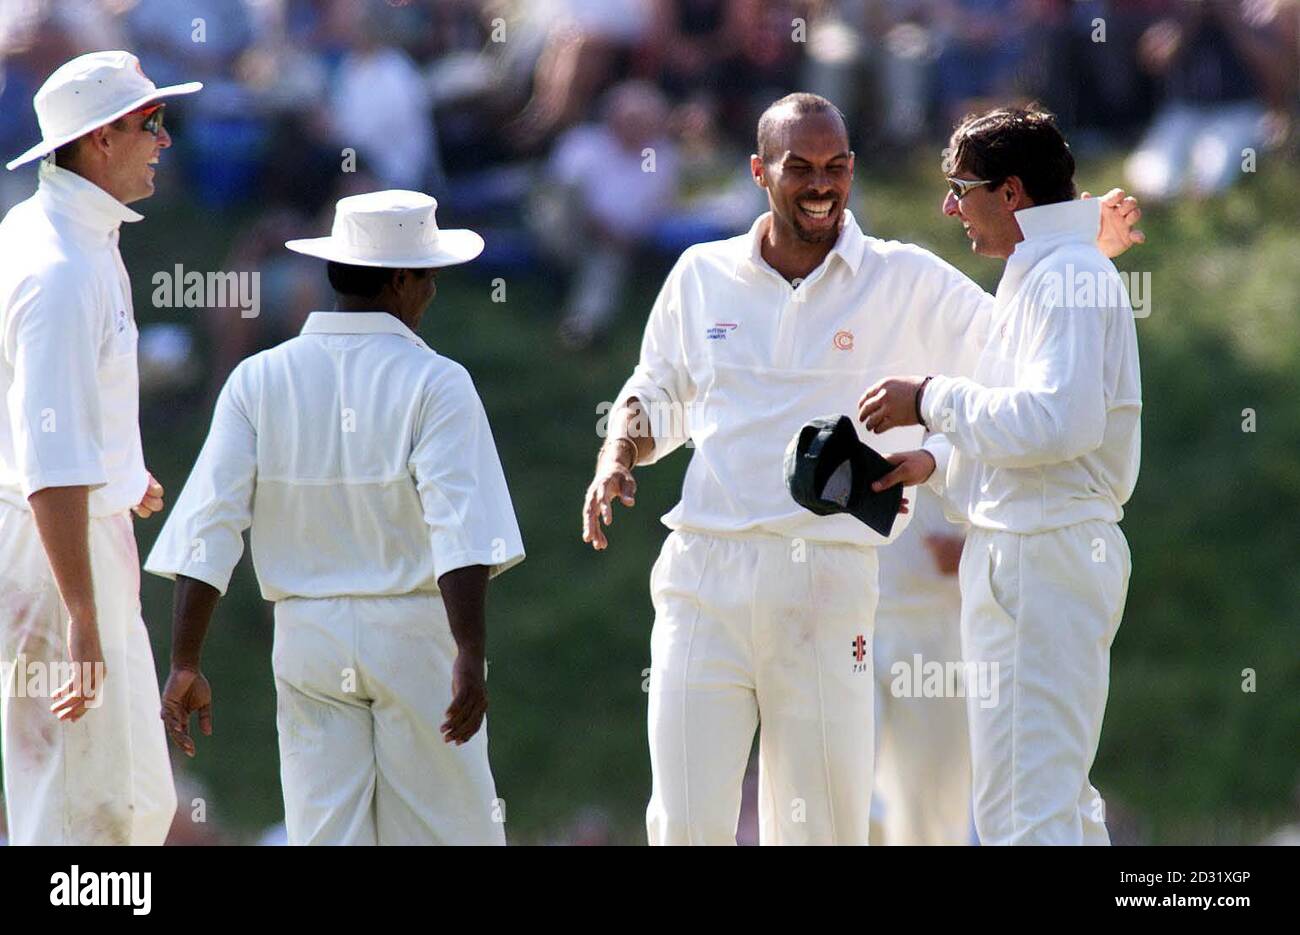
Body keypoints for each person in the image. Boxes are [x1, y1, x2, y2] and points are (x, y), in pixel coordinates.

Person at [581, 92, 1141, 845]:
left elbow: (1018, 367)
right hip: (702, 574)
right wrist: (619, 448)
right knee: (683, 826)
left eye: (838, 166)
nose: (822, 184)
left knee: (826, 830)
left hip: (832, 583)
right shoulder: (700, 273)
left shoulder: (903, 276)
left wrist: (1072, 240)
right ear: (757, 172)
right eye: (800, 167)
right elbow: (658, 391)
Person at [143, 190, 525, 846]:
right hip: (412, 632)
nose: (432, 290)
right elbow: (458, 527)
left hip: (307, 636)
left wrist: (184, 659)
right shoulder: (437, 381)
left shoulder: (257, 380)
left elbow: (210, 525)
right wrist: (469, 649)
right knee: (449, 832)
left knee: (328, 835)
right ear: (403, 280)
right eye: (427, 274)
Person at [860, 106, 1143, 845]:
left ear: (1011, 192)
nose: (950, 207)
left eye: (962, 188)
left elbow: (1058, 422)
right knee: (1054, 801)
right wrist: (936, 461)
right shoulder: (1049, 269)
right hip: (1033, 546)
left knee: (1026, 809)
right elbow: (1036, 430)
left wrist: (931, 398)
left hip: (1040, 552)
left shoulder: (1066, 274)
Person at [0, 50, 200, 845]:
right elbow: (46, 463)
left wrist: (120, 475)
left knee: (124, 800)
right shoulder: (58, 267)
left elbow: (57, 420)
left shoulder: (65, 234)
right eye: (150, 123)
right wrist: (79, 609)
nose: (164, 139)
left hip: (69, 535)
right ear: (98, 140)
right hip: (51, 554)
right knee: (76, 801)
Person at [871, 485, 971, 846]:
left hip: (936, 626)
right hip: (851, 617)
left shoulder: (968, 427)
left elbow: (1009, 493)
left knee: (929, 804)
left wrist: (972, 552)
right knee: (843, 780)